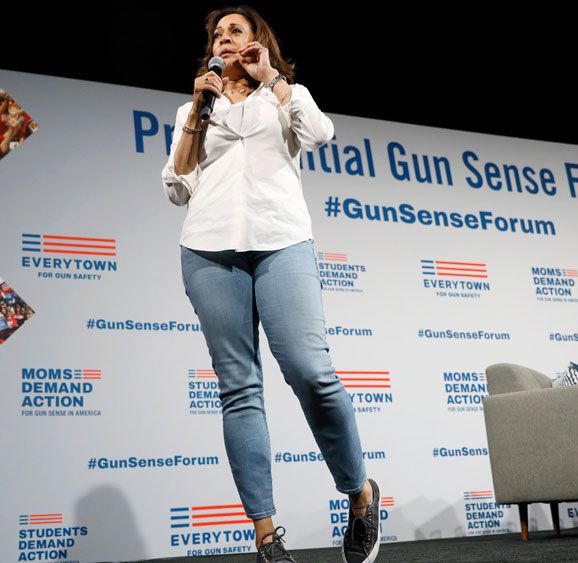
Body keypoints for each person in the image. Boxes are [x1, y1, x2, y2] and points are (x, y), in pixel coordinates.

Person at [161, 7, 379, 562]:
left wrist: (274, 81)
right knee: (238, 388)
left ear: (258, 42)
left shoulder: (282, 94)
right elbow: (177, 186)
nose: (224, 38)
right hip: (209, 250)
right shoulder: (194, 108)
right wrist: (196, 116)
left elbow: (321, 134)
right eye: (217, 33)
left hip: (282, 242)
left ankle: (359, 494)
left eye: (235, 30)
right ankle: (265, 533)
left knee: (312, 372)